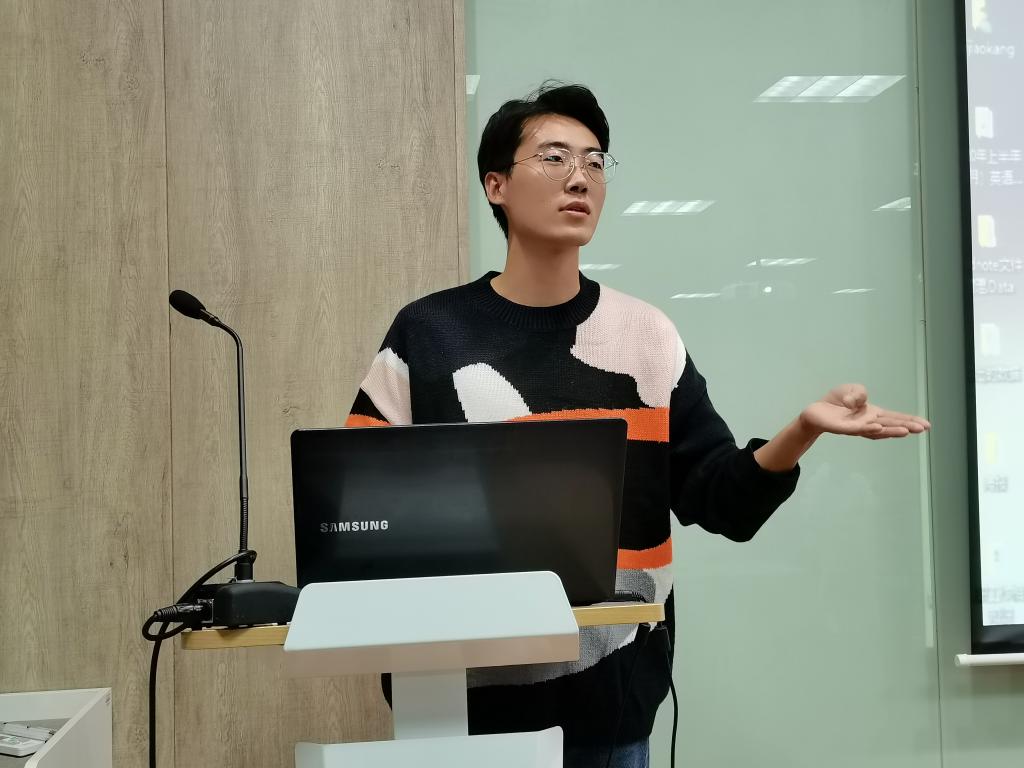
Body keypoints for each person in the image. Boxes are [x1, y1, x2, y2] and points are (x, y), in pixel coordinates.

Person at [345, 82, 930, 768]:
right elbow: (361, 511)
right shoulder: (429, 332)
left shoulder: (644, 336)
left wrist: (802, 429)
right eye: (555, 157)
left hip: (611, 706)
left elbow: (723, 501)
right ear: (495, 185)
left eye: (595, 162)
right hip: (460, 705)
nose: (580, 178)